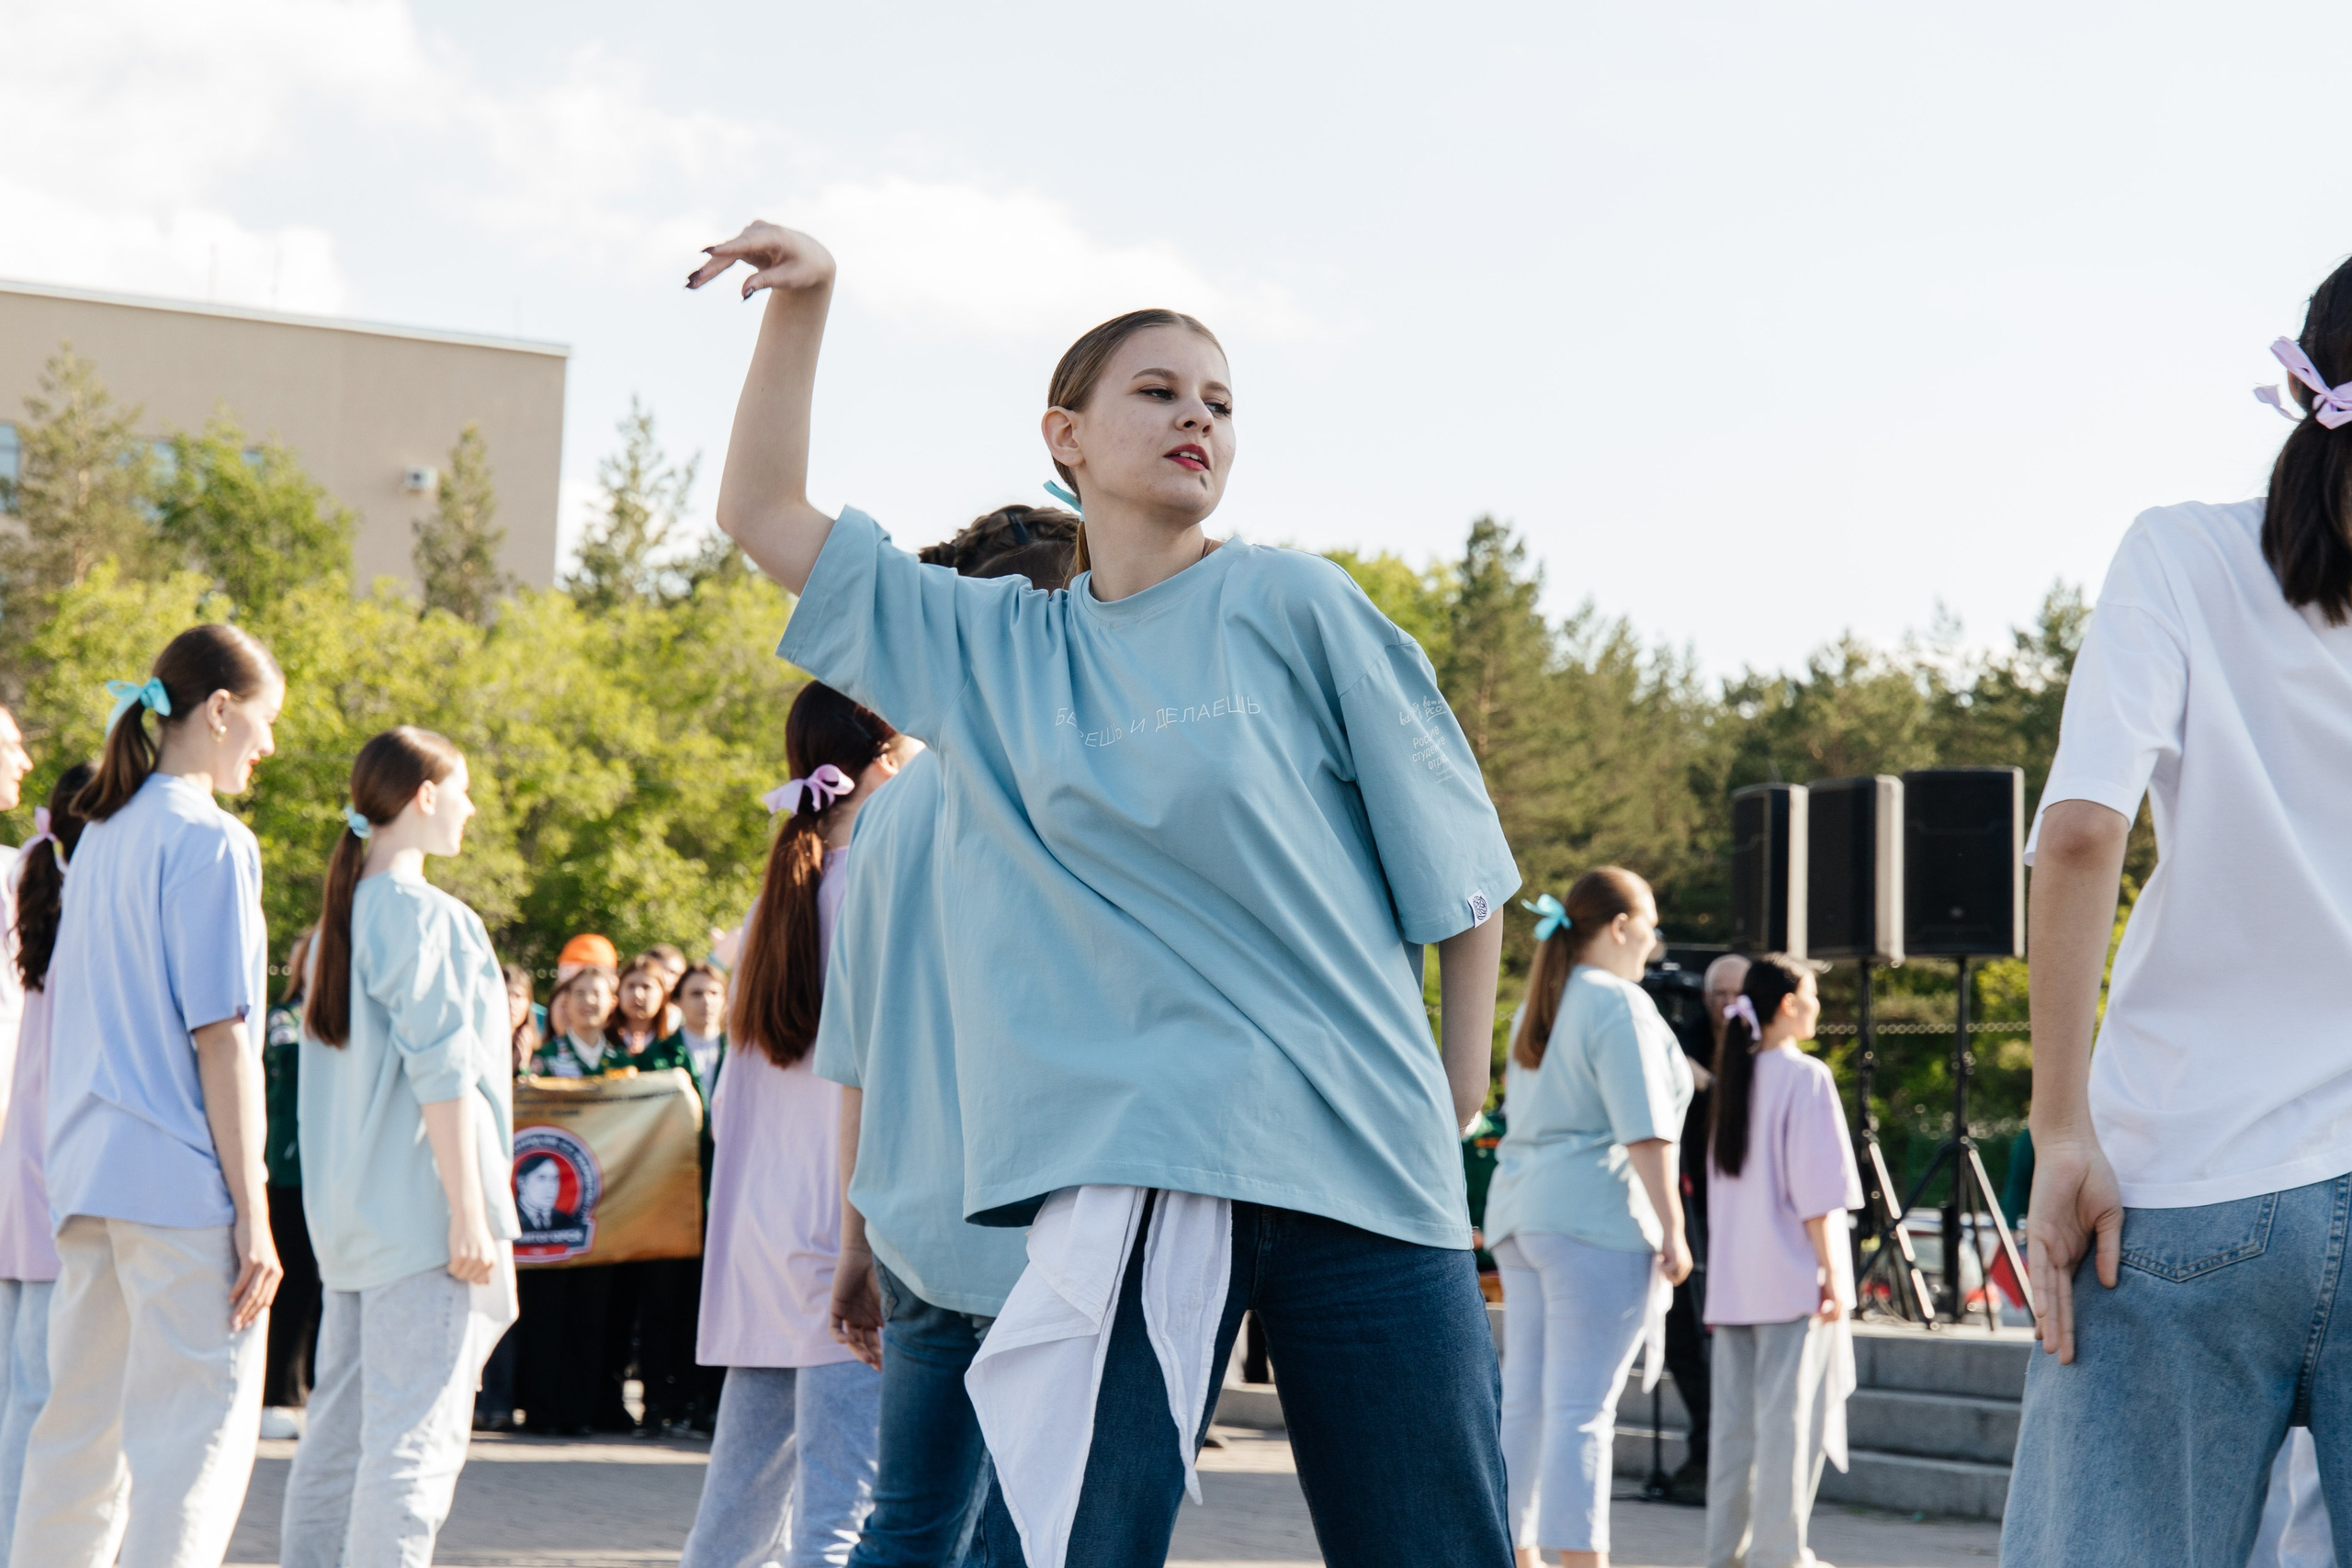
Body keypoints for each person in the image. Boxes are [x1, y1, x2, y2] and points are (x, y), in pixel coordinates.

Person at [693, 221, 1514, 1568]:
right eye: (1158, 390)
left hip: (1366, 1164)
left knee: (1433, 1545)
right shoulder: (993, 652)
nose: (1197, 413)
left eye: (1221, 400)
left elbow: (1465, 872)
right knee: (1064, 1546)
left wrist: (1457, 1094)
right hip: (1134, 1186)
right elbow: (764, 517)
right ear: (1063, 434)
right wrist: (812, 301)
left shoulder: (1296, 606)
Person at [2004, 258, 2352, 1563]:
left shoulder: (2183, 551)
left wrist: (2061, 1123)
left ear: (2298, 380)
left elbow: (2083, 826)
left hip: (2188, 1171)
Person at [814, 502, 1079, 1568]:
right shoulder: (1070, 792)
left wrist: (852, 1244)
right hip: (1050, 1238)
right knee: (1026, 1532)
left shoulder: (887, 810)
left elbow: (855, 1050)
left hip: (915, 1224)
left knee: (907, 1523)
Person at [14, 625, 285, 1567]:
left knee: (74, 1449)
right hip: (178, 1190)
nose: (269, 744)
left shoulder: (101, 843)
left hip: (88, 1183)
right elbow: (224, 1038)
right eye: (264, 720)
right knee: (189, 1450)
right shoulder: (210, 840)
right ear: (218, 711)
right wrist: (255, 1214)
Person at [278, 727, 520, 1567]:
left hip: (350, 1225)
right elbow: (445, 1072)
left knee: (340, 1439)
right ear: (423, 796)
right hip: (421, 1218)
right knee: (413, 1446)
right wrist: (467, 1211)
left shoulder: (338, 921)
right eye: (461, 789)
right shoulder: (425, 916)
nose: (470, 807)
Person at [682, 680, 897, 1568]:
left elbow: (732, 1099)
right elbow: (875, 1080)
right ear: (883, 763)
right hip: (836, 1231)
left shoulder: (774, 900)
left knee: (734, 1513)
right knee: (837, 1514)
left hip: (759, 1237)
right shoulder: (876, 892)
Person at [1483, 869, 1694, 1568]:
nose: (1656, 939)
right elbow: (1646, 1127)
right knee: (1581, 1407)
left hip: (1523, 1212)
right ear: (1621, 925)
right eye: (1652, 922)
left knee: (1530, 1400)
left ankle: (1514, 1549)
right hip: (1592, 1216)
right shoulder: (1618, 1003)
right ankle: (1582, 1560)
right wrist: (1673, 1226)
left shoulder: (1540, 1002)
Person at [1702, 955, 1860, 1568]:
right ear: (1789, 1003)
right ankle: (1778, 1553)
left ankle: (1727, 1551)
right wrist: (1829, 1273)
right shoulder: (1805, 1076)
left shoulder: (1734, 1080)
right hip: (1792, 1276)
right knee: (1789, 1423)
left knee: (1736, 1429)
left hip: (1738, 1280)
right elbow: (1818, 1194)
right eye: (1813, 994)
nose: (1818, 1005)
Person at [0, 763, 89, 1549]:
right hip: (58, 1177)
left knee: (21, 1388)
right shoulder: (84, 923)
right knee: (41, 1392)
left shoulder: (39, 904)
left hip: (22, 1171)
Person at [516, 964, 636, 1435]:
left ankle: (584, 1410)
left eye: (598, 993)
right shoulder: (546, 1061)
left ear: (612, 1004)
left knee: (595, 1311)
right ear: (563, 1003)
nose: (588, 1001)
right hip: (552, 1215)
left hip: (608, 1207)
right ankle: (543, 1408)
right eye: (578, 993)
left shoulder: (627, 1064)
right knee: (547, 1308)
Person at [1665, 952, 1747, 1503]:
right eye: (1716, 994)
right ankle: (1704, 1447)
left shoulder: (1764, 1044)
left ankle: (1732, 1454)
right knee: (1684, 1330)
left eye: (1734, 994)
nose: (1724, 1005)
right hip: (1692, 1200)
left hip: (1744, 1209)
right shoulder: (1682, 1042)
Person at [260, 926, 324, 1443]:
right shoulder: (284, 1021)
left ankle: (322, 1392)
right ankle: (280, 1392)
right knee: (296, 1283)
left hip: (342, 1173)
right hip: (291, 1171)